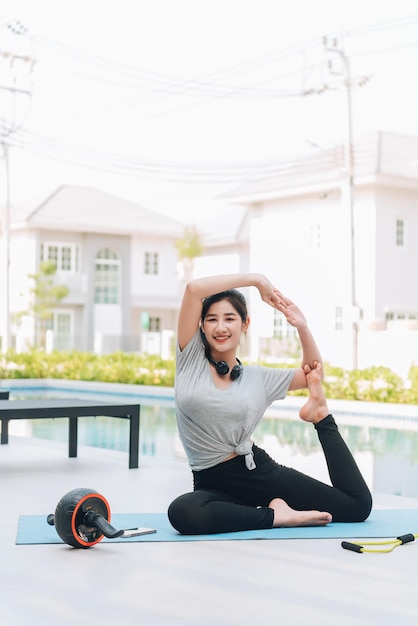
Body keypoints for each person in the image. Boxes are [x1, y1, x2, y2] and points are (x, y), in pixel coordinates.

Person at [168, 273, 372, 535]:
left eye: (229, 318)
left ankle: (320, 415)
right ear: (202, 327)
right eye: (212, 319)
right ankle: (277, 516)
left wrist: (302, 328)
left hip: (257, 473)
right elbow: (194, 289)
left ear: (245, 324)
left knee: (358, 507)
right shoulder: (190, 358)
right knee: (182, 512)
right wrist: (256, 280)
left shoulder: (258, 378)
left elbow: (312, 372)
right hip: (211, 483)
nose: (220, 327)